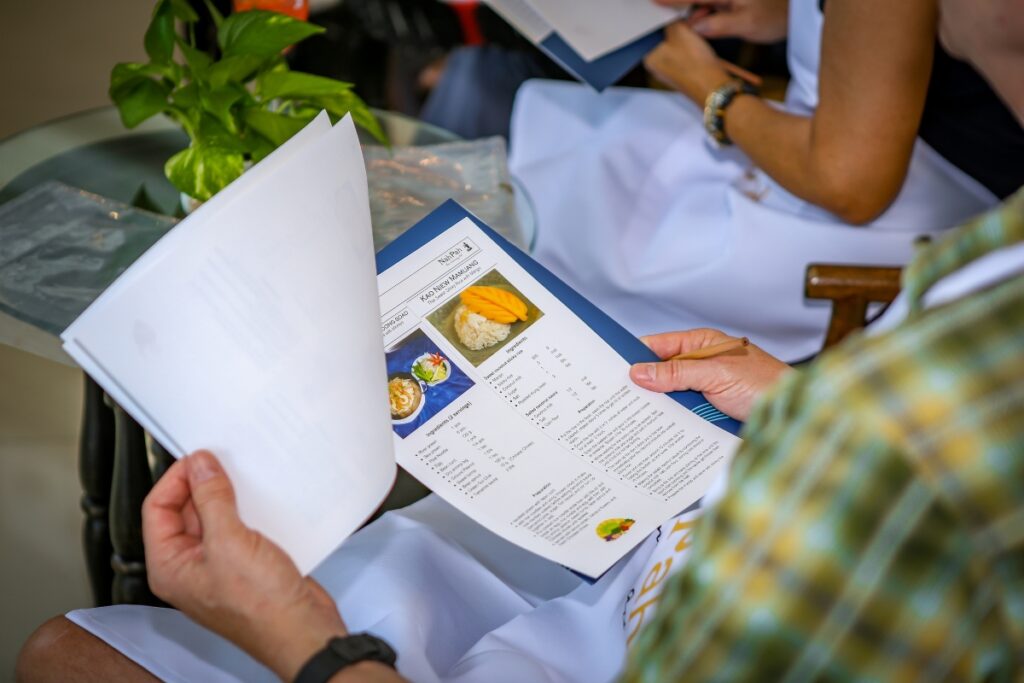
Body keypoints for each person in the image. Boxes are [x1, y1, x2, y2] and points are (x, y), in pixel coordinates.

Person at [16, 0, 1024, 679]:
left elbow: (855, 179)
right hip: (677, 524)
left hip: (639, 601)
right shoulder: (985, 288)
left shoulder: (910, 441)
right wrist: (795, 398)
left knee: (67, 654)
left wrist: (309, 644)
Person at [508, 0, 1024, 361]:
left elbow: (849, 186)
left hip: (892, 216)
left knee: (579, 213)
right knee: (583, 144)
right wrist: (790, 13)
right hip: (857, 144)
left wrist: (705, 84)